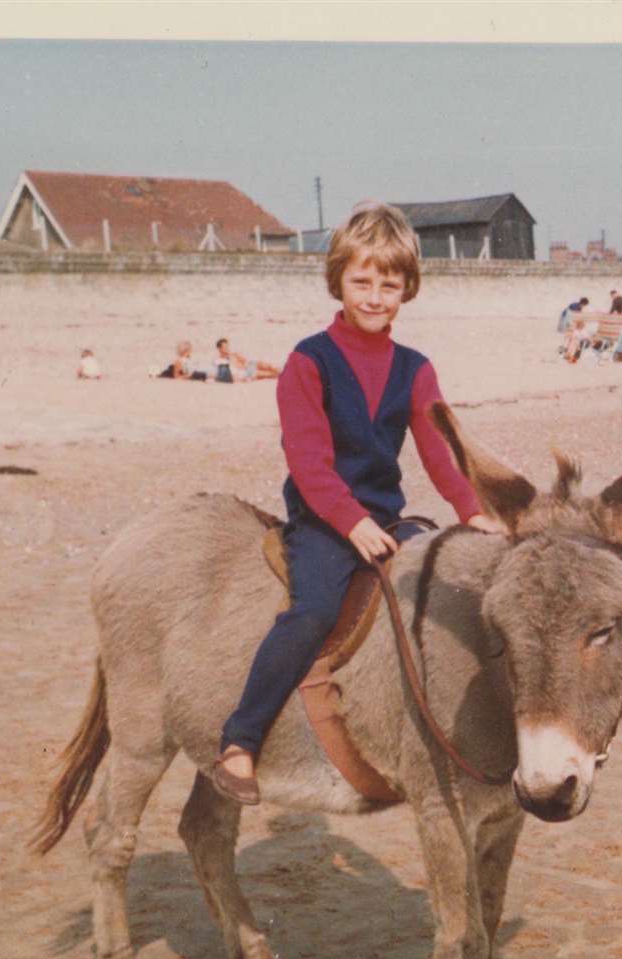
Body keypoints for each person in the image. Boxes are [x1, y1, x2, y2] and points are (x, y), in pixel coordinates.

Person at [210, 201, 498, 805]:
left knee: (447, 590)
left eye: (388, 285)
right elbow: (309, 464)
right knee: (313, 612)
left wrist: (472, 512)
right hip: (323, 522)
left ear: (407, 289)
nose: (374, 297)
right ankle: (241, 738)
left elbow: (440, 454)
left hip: (390, 518)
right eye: (361, 282)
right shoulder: (307, 362)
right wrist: (351, 522)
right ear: (337, 281)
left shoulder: (415, 370)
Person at [216, 337, 281, 381]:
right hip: (246, 373)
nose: (227, 348)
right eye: (225, 347)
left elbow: (245, 361)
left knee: (263, 364)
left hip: (248, 367)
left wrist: (239, 357)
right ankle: (282, 375)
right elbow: (228, 374)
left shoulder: (233, 355)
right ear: (219, 349)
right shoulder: (220, 361)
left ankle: (281, 370)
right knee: (268, 374)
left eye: (228, 346)